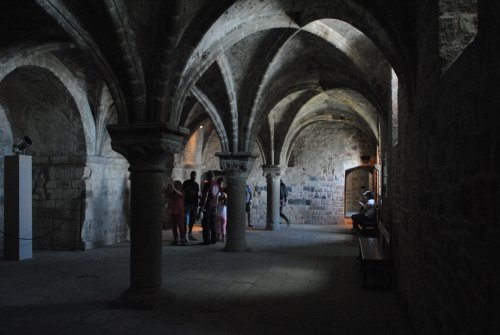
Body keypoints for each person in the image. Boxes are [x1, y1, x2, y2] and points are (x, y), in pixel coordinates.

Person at [198, 171, 219, 245]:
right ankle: (214, 239)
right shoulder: (216, 184)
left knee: (206, 223)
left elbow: (206, 196)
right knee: (213, 223)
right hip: (214, 205)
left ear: (208, 177)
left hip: (208, 206)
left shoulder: (208, 184)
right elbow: (216, 196)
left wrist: (202, 206)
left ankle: (206, 240)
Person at [166, 180, 186, 245]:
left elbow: (180, 194)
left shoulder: (182, 191)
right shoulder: (171, 192)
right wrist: (169, 189)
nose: (174, 185)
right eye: (174, 184)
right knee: (174, 226)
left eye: (176, 184)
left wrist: (174, 189)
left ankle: (183, 239)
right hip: (172, 210)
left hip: (180, 211)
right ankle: (175, 239)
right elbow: (166, 195)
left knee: (181, 226)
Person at [183, 171, 200, 241]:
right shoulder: (186, 182)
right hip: (187, 203)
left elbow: (197, 193)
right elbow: (183, 191)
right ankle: (185, 235)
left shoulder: (196, 184)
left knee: (192, 220)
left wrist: (198, 198)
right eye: (193, 175)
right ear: (190, 175)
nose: (194, 176)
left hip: (194, 204)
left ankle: (190, 233)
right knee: (186, 219)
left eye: (195, 175)